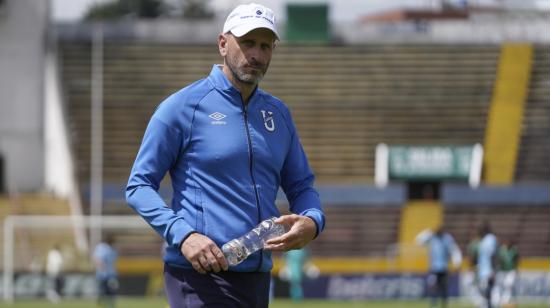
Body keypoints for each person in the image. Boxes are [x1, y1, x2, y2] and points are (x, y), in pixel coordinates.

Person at [125, 3, 325, 307]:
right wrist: (184, 235)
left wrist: (312, 221)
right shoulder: (181, 108)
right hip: (200, 277)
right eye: (247, 43)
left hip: (257, 278)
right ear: (222, 43)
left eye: (265, 46)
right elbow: (139, 186)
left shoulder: (278, 114)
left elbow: (302, 187)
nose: (256, 55)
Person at [415, 226, 462, 308]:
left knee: (444, 288)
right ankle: (433, 305)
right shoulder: (432, 238)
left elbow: (454, 250)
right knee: (433, 286)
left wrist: (456, 263)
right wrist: (428, 232)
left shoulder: (447, 239)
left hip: (444, 268)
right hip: (434, 268)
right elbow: (418, 241)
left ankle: (444, 305)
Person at [476, 222, 498, 308]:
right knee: (486, 298)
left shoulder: (490, 239)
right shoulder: (483, 240)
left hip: (488, 273)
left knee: (489, 298)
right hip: (483, 273)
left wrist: (493, 271)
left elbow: (492, 255)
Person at [93, 236, 118, 308]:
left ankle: (110, 304)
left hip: (111, 274)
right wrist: (101, 266)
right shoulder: (102, 248)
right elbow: (97, 258)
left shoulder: (112, 249)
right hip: (103, 274)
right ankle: (102, 303)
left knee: (111, 290)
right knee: (103, 290)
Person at [496, 238, 519, 308]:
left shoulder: (514, 251)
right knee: (501, 285)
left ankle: (506, 300)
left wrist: (516, 269)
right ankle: (501, 299)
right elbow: (499, 260)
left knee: (509, 284)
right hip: (502, 271)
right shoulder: (502, 251)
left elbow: (516, 260)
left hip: (511, 270)